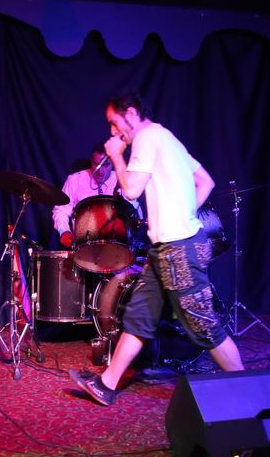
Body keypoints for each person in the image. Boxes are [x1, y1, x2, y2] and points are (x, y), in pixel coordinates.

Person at [69, 92, 244, 405]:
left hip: (177, 251)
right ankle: (106, 384)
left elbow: (131, 190)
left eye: (114, 123)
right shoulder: (167, 138)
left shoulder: (147, 138)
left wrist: (117, 155)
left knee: (204, 325)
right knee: (139, 316)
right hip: (165, 249)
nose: (112, 131)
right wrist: (181, 212)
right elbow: (205, 182)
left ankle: (248, 390)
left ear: (131, 113)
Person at [51, 142, 141, 249]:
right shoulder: (75, 180)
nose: (100, 171)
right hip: (84, 247)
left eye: (105, 165)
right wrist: (64, 231)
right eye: (96, 164)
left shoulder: (122, 180)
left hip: (117, 246)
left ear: (113, 163)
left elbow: (136, 214)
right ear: (91, 161)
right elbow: (61, 210)